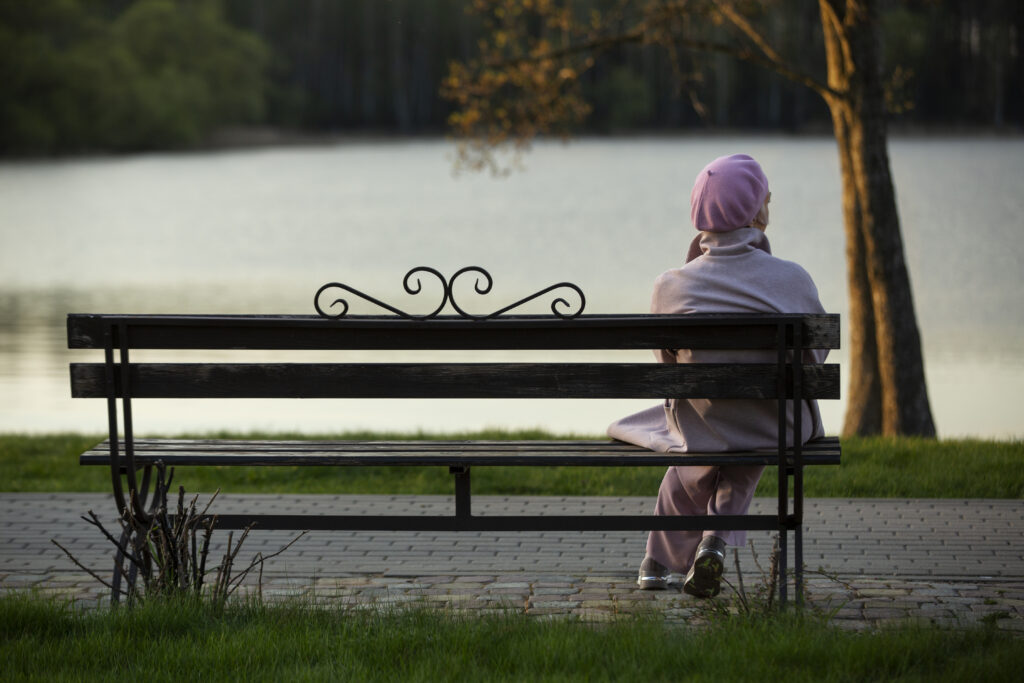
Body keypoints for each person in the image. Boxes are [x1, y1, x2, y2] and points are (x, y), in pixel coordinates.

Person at [607, 153, 828, 597]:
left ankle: (657, 561)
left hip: (703, 425)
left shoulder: (670, 285)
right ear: (755, 210)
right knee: (750, 435)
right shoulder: (792, 279)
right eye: (766, 197)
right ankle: (714, 541)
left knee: (695, 432)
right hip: (777, 425)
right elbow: (815, 358)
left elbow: (668, 369)